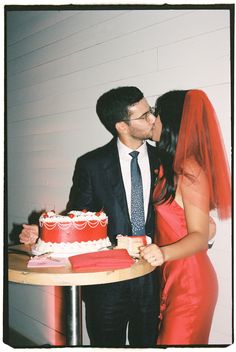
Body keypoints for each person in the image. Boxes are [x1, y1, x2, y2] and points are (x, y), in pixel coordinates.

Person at [20, 86, 160, 347]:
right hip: (104, 282)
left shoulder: (165, 158)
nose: (152, 119)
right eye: (143, 116)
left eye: (150, 111)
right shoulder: (91, 164)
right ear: (121, 125)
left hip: (152, 278)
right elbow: (78, 215)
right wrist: (46, 231)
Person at [140, 89, 231, 345]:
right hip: (173, 280)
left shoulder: (190, 168)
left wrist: (163, 253)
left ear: (170, 122)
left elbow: (200, 237)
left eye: (155, 114)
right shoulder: (170, 166)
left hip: (190, 284)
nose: (152, 120)